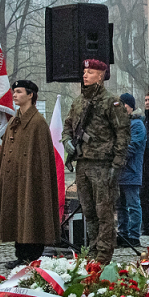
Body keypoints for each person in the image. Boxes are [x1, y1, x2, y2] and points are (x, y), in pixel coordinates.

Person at [61, 59, 130, 265]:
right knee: (88, 211)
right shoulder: (78, 102)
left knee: (104, 211)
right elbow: (67, 126)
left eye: (90, 72)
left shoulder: (112, 102)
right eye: (84, 71)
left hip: (102, 164)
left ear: (101, 75)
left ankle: (103, 253)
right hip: (83, 163)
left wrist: (117, 164)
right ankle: (92, 249)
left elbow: (123, 135)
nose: (85, 75)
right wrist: (67, 142)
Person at [0, 80, 60, 269]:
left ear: (30, 95)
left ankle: (32, 254)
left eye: (19, 92)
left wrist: (33, 176)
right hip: (15, 176)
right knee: (17, 213)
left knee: (31, 212)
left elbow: (40, 157)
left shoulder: (37, 122)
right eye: (14, 91)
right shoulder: (15, 120)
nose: (15, 95)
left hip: (31, 178)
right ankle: (20, 254)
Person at [116, 93, 147, 247]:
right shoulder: (122, 124)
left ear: (130, 106)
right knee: (120, 206)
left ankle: (134, 236)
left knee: (133, 205)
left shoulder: (137, 125)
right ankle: (123, 234)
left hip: (131, 172)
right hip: (120, 173)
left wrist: (116, 155)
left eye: (124, 106)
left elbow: (132, 147)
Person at [141, 94, 149, 236]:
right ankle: (148, 228)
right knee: (143, 197)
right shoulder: (144, 121)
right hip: (145, 165)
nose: (147, 103)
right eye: (145, 100)